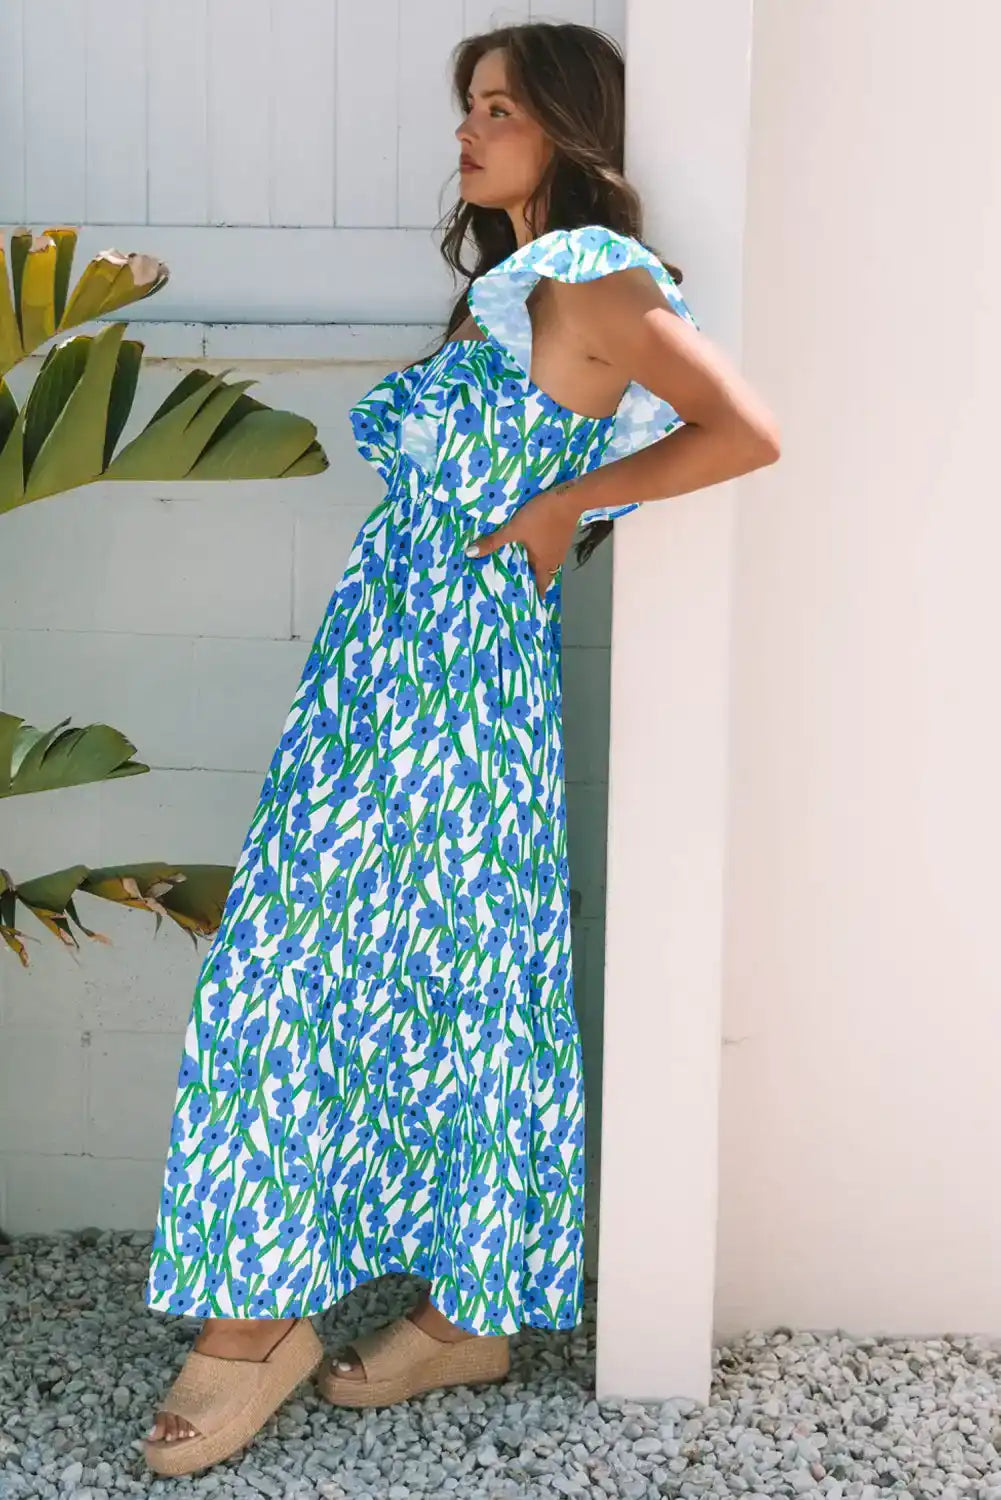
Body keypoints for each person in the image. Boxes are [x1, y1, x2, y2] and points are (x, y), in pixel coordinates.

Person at [141, 20, 780, 1478]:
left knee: (296, 974)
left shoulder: (585, 277)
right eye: (468, 107)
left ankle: (250, 1328)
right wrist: (568, 502)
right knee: (436, 974)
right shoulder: (512, 287)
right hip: (396, 677)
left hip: (442, 688)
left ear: (568, 126)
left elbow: (740, 430)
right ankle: (460, 1307)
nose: (467, 131)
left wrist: (576, 506)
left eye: (498, 108)